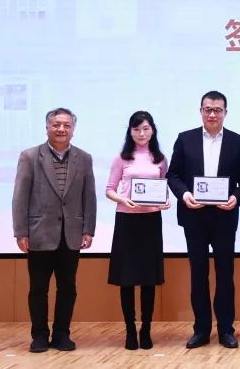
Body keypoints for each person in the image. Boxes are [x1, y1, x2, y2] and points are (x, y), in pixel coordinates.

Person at [166, 91, 240, 349]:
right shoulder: (185, 139)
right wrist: (185, 195)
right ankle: (201, 330)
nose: (212, 114)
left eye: (217, 110)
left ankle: (226, 330)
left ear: (226, 112)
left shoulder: (238, 141)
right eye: (208, 109)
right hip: (194, 216)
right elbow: (173, 175)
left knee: (225, 274)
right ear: (201, 111)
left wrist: (236, 198)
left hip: (225, 216)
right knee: (198, 274)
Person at [12, 108, 96, 353]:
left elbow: (89, 197)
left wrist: (88, 229)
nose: (61, 129)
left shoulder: (84, 158)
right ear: (47, 127)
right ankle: (39, 335)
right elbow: (20, 197)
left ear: (73, 129)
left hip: (71, 235)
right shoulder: (30, 156)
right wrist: (21, 232)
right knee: (38, 289)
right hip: (39, 234)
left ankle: (62, 334)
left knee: (68, 288)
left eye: (66, 125)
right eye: (56, 124)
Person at [105, 111, 169, 350]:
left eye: (145, 128)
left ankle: (146, 329)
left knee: (148, 278)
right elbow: (110, 189)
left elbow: (164, 188)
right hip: (127, 221)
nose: (141, 133)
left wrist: (165, 201)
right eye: (136, 129)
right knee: (127, 279)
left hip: (151, 221)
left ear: (152, 130)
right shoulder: (121, 158)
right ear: (130, 132)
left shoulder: (160, 158)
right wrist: (122, 199)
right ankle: (130, 330)